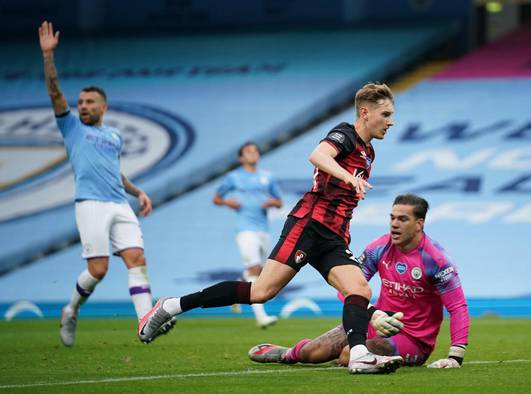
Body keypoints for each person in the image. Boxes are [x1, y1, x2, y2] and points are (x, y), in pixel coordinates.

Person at [139, 82, 402, 374]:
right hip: (309, 225)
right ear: (365, 113)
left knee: (360, 289)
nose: (391, 121)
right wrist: (348, 177)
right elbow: (317, 156)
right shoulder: (346, 134)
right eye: (386, 114)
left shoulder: (369, 153)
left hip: (334, 236)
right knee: (261, 292)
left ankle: (359, 355)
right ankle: (171, 306)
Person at [38, 21, 175, 347]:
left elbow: (115, 173)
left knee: (137, 260)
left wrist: (138, 191)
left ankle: (146, 322)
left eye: (89, 102)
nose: (82, 106)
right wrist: (48, 56)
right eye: (81, 102)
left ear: (103, 106)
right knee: (98, 269)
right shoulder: (71, 126)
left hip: (118, 203)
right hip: (91, 205)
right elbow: (55, 91)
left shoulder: (113, 136)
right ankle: (70, 311)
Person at [248, 194, 470, 369]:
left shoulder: (436, 260)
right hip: (374, 323)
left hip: (412, 340)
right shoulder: (379, 248)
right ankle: (287, 353)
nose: (394, 224)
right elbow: (345, 286)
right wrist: (372, 313)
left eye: (403, 219)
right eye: (392, 218)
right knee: (312, 353)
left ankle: (354, 358)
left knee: (347, 355)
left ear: (419, 223)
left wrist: (455, 357)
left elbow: (458, 306)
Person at [213, 142, 283, 328]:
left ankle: (236, 289)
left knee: (260, 272)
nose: (253, 154)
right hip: (245, 229)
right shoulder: (234, 177)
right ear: (241, 157)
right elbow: (217, 198)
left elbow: (279, 202)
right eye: (248, 152)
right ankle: (261, 317)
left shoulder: (267, 177)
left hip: (264, 229)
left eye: (255, 151)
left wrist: (272, 202)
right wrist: (229, 203)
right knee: (253, 268)